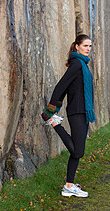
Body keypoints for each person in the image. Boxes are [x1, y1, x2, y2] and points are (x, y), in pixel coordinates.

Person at [41, 34, 96, 197]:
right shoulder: (77, 64)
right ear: (77, 46)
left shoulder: (83, 65)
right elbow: (61, 86)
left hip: (83, 111)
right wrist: (51, 110)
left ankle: (69, 186)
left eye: (90, 46)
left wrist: (57, 107)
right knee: (77, 151)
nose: (88, 49)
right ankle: (54, 123)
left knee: (77, 151)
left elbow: (67, 88)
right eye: (85, 46)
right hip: (76, 111)